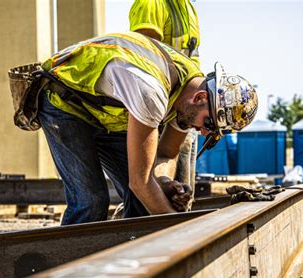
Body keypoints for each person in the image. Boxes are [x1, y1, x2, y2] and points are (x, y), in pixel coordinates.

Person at [37, 31, 258, 225]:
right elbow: (140, 182)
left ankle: (131, 262)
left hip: (105, 113)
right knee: (91, 201)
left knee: (146, 201)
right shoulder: (151, 92)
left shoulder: (188, 91)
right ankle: (66, 268)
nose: (203, 132)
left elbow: (166, 154)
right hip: (65, 101)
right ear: (200, 97)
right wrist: (177, 230)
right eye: (208, 124)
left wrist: (164, 182)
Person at [129, 0, 200, 203]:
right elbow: (146, 64)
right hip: (156, 111)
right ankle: (154, 230)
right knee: (149, 189)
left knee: (182, 193)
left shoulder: (189, 10)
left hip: (182, 110)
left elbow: (193, 64)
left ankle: (176, 229)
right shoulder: (151, 3)